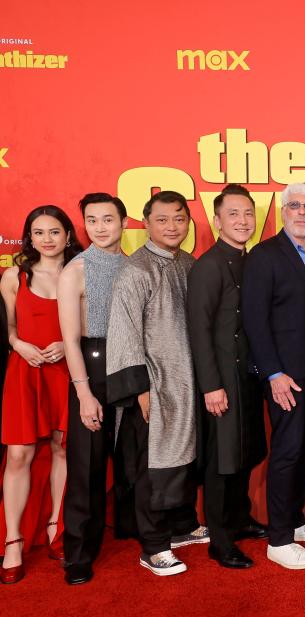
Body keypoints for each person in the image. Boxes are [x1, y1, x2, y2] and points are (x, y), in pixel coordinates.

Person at [107, 191, 211, 577]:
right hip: (156, 383)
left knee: (184, 455)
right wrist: (140, 389)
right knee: (153, 464)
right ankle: (153, 546)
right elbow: (124, 333)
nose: (172, 227)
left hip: (188, 382)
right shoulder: (136, 271)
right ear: (147, 223)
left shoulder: (190, 264)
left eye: (179, 219)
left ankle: (182, 525)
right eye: (163, 219)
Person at [243, 182, 305, 570]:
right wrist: (272, 373)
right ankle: (278, 540)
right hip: (285, 374)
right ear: (282, 211)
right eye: (294, 205)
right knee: (288, 450)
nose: (301, 212)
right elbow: (254, 322)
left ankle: (293, 519)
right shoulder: (265, 255)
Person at [187, 184, 268, 570]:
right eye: (233, 214)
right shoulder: (208, 265)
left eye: (248, 213)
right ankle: (219, 540)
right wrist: (211, 386)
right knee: (222, 460)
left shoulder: (251, 260)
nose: (242, 221)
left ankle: (239, 520)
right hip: (221, 378)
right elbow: (198, 331)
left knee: (245, 452)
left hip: (249, 375)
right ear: (217, 220)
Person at [1, 205, 80, 584]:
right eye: (38, 232)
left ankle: (56, 525)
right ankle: (13, 540)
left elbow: (89, 323)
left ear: (67, 234)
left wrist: (68, 344)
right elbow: (9, 325)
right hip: (26, 372)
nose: (46, 239)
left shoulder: (81, 272)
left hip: (66, 370)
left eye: (54, 231)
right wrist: (18, 345)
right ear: (28, 237)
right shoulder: (14, 276)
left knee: (63, 445)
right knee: (19, 454)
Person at [58, 193, 135, 585]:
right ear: (83, 225)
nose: (100, 227)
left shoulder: (131, 264)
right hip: (91, 364)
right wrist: (84, 393)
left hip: (129, 363)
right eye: (92, 220)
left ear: (124, 221)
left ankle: (130, 530)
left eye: (108, 219)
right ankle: (77, 554)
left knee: (130, 455)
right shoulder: (76, 270)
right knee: (87, 464)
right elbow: (70, 339)